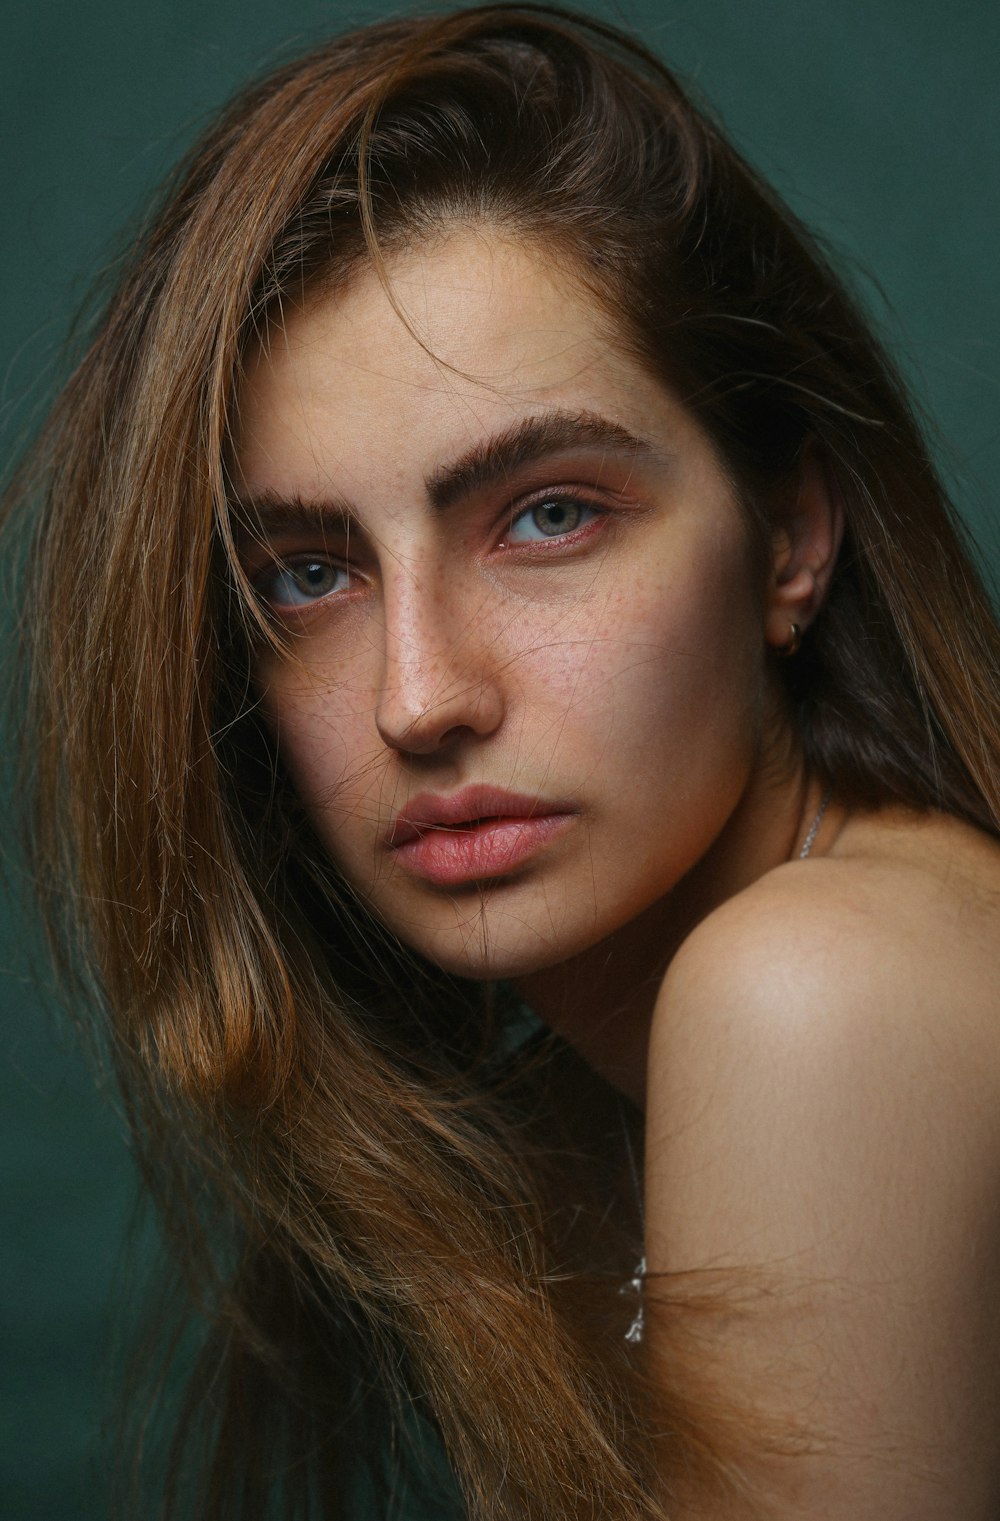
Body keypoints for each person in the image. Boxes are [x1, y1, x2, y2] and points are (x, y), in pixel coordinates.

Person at [8, 4, 1000, 1516]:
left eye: (549, 515)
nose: (420, 694)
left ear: (791, 536)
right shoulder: (587, 1102)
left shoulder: (815, 992)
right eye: (307, 572)